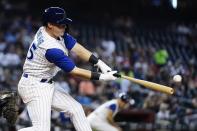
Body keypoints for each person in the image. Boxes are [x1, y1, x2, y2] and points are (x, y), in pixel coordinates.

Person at [17, 7, 118, 131]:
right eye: (60, 24)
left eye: (64, 24)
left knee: (76, 109)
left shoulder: (49, 31)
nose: (64, 27)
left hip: (44, 83)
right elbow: (74, 71)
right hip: (33, 86)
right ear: (49, 24)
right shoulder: (50, 49)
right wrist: (102, 77)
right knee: (41, 129)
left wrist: (99, 63)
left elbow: (77, 48)